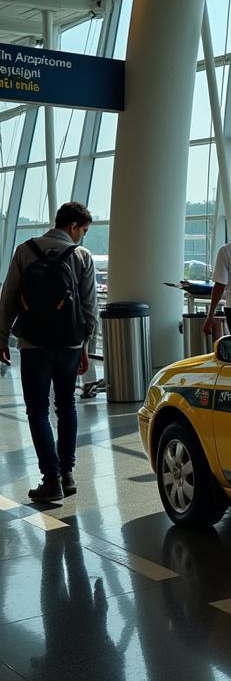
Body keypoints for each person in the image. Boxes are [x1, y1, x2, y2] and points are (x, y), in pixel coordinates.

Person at [0, 201, 97, 505]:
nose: (82, 236)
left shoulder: (25, 250)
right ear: (73, 226)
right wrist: (85, 347)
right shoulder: (81, 256)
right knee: (66, 407)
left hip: (33, 345)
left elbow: (8, 298)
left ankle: (51, 478)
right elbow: (89, 308)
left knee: (37, 411)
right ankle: (67, 475)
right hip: (69, 346)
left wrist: (2, 338)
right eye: (83, 230)